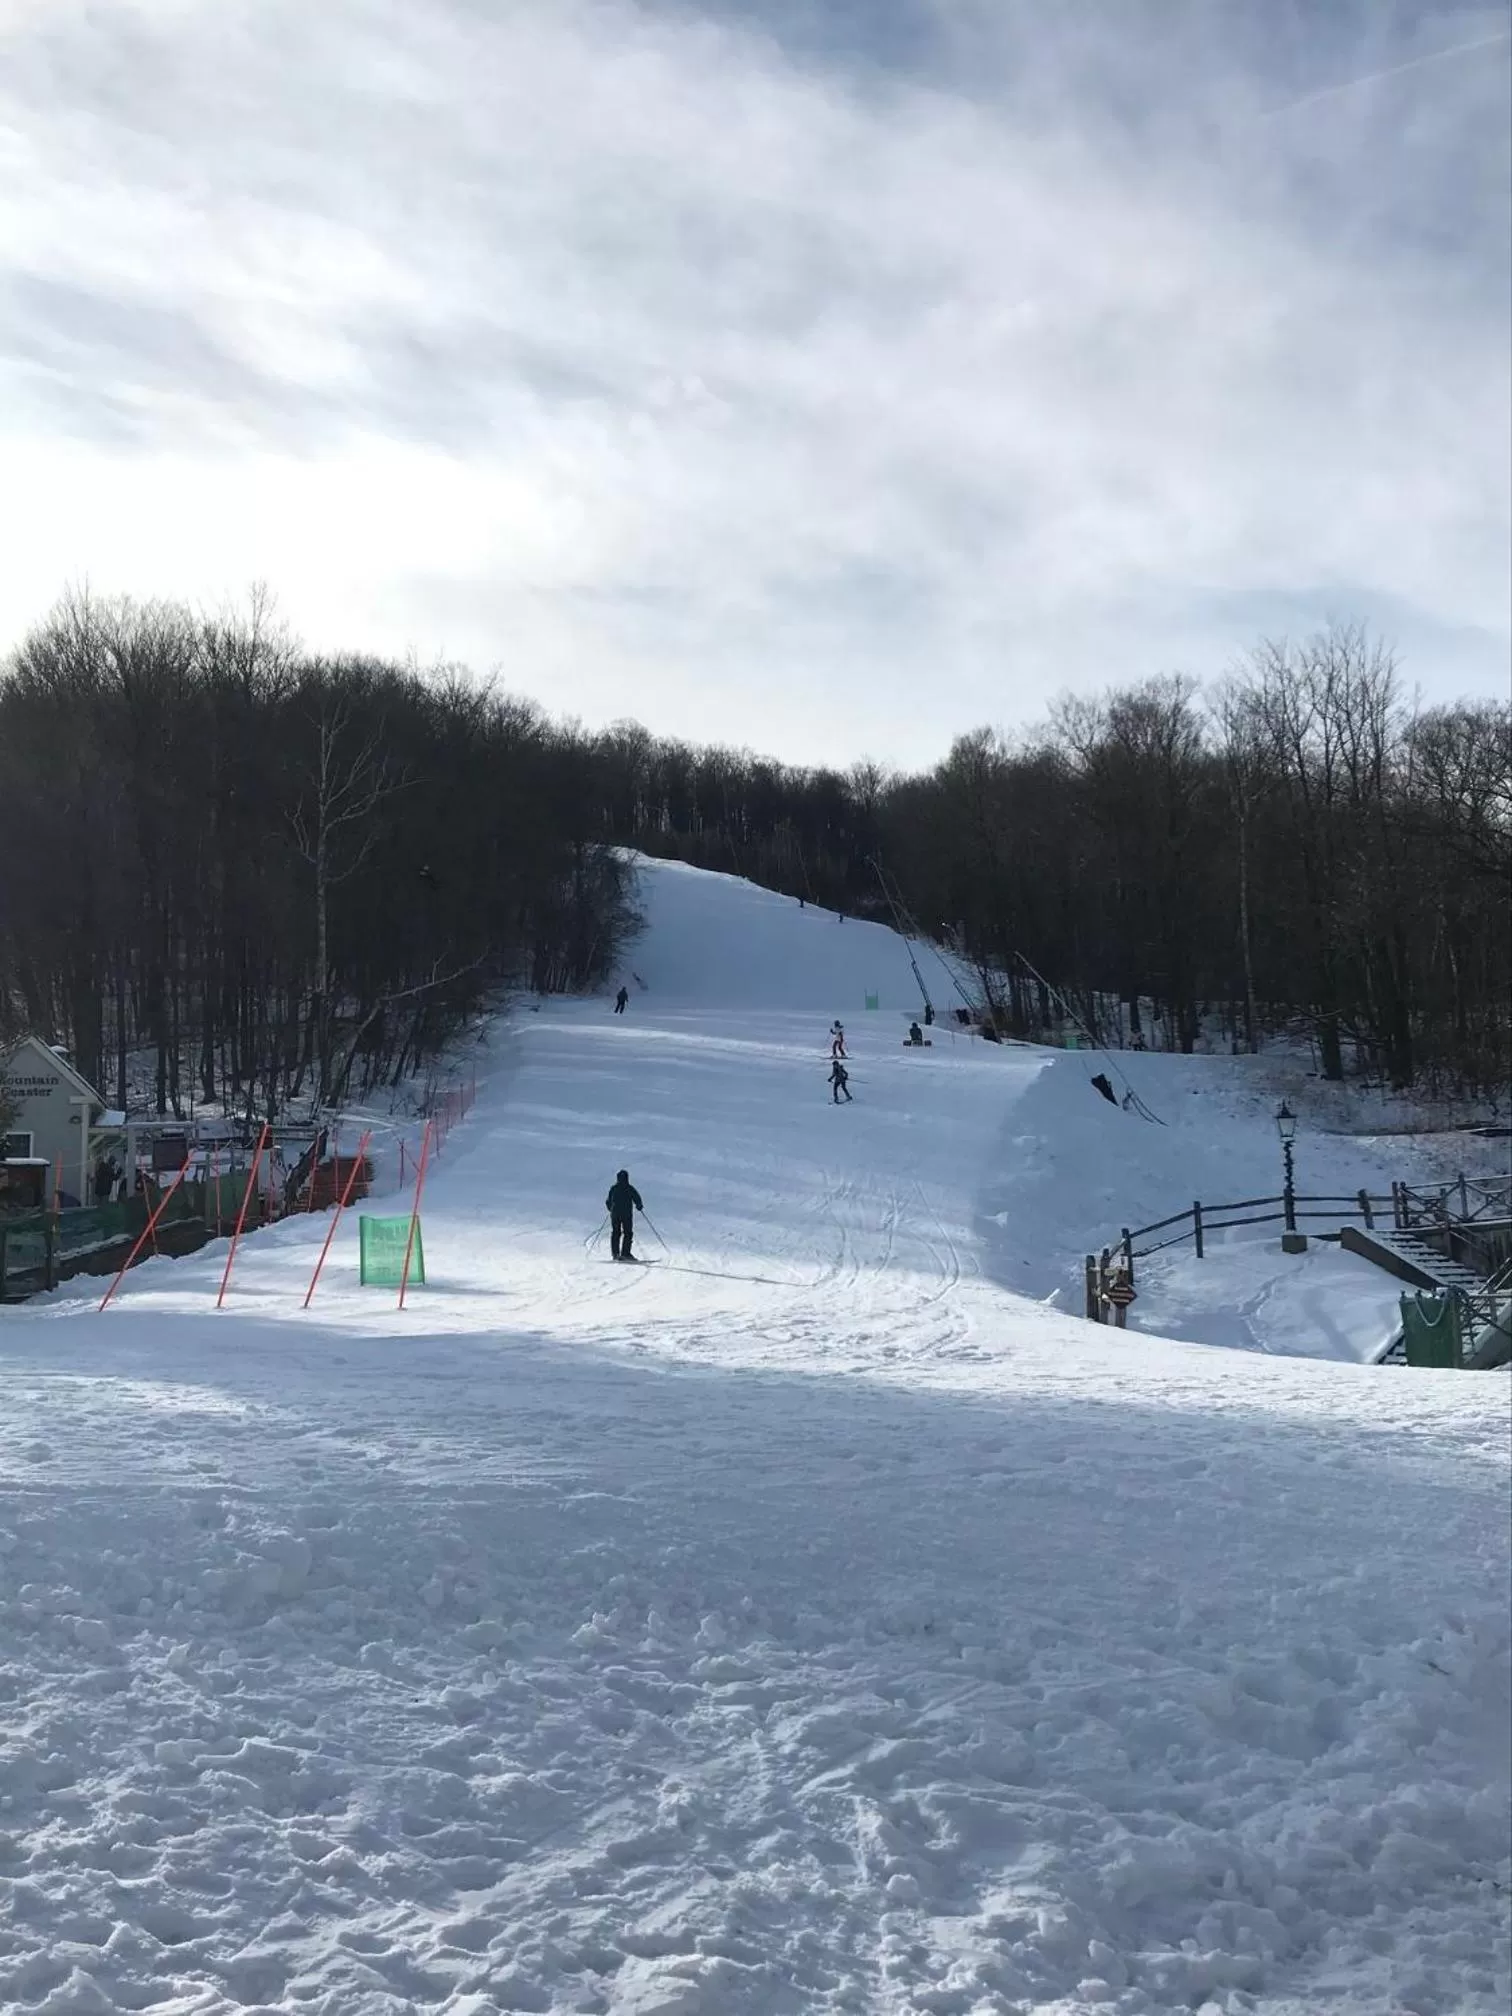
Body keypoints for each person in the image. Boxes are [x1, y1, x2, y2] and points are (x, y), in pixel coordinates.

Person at [605, 1167, 643, 1260]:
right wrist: (639, 1206)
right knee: (628, 1233)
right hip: (626, 1215)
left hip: (615, 1214)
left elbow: (608, 1201)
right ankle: (625, 1253)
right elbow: (637, 1198)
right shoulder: (629, 1188)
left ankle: (615, 1253)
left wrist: (610, 1208)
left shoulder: (614, 1188)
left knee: (616, 1233)